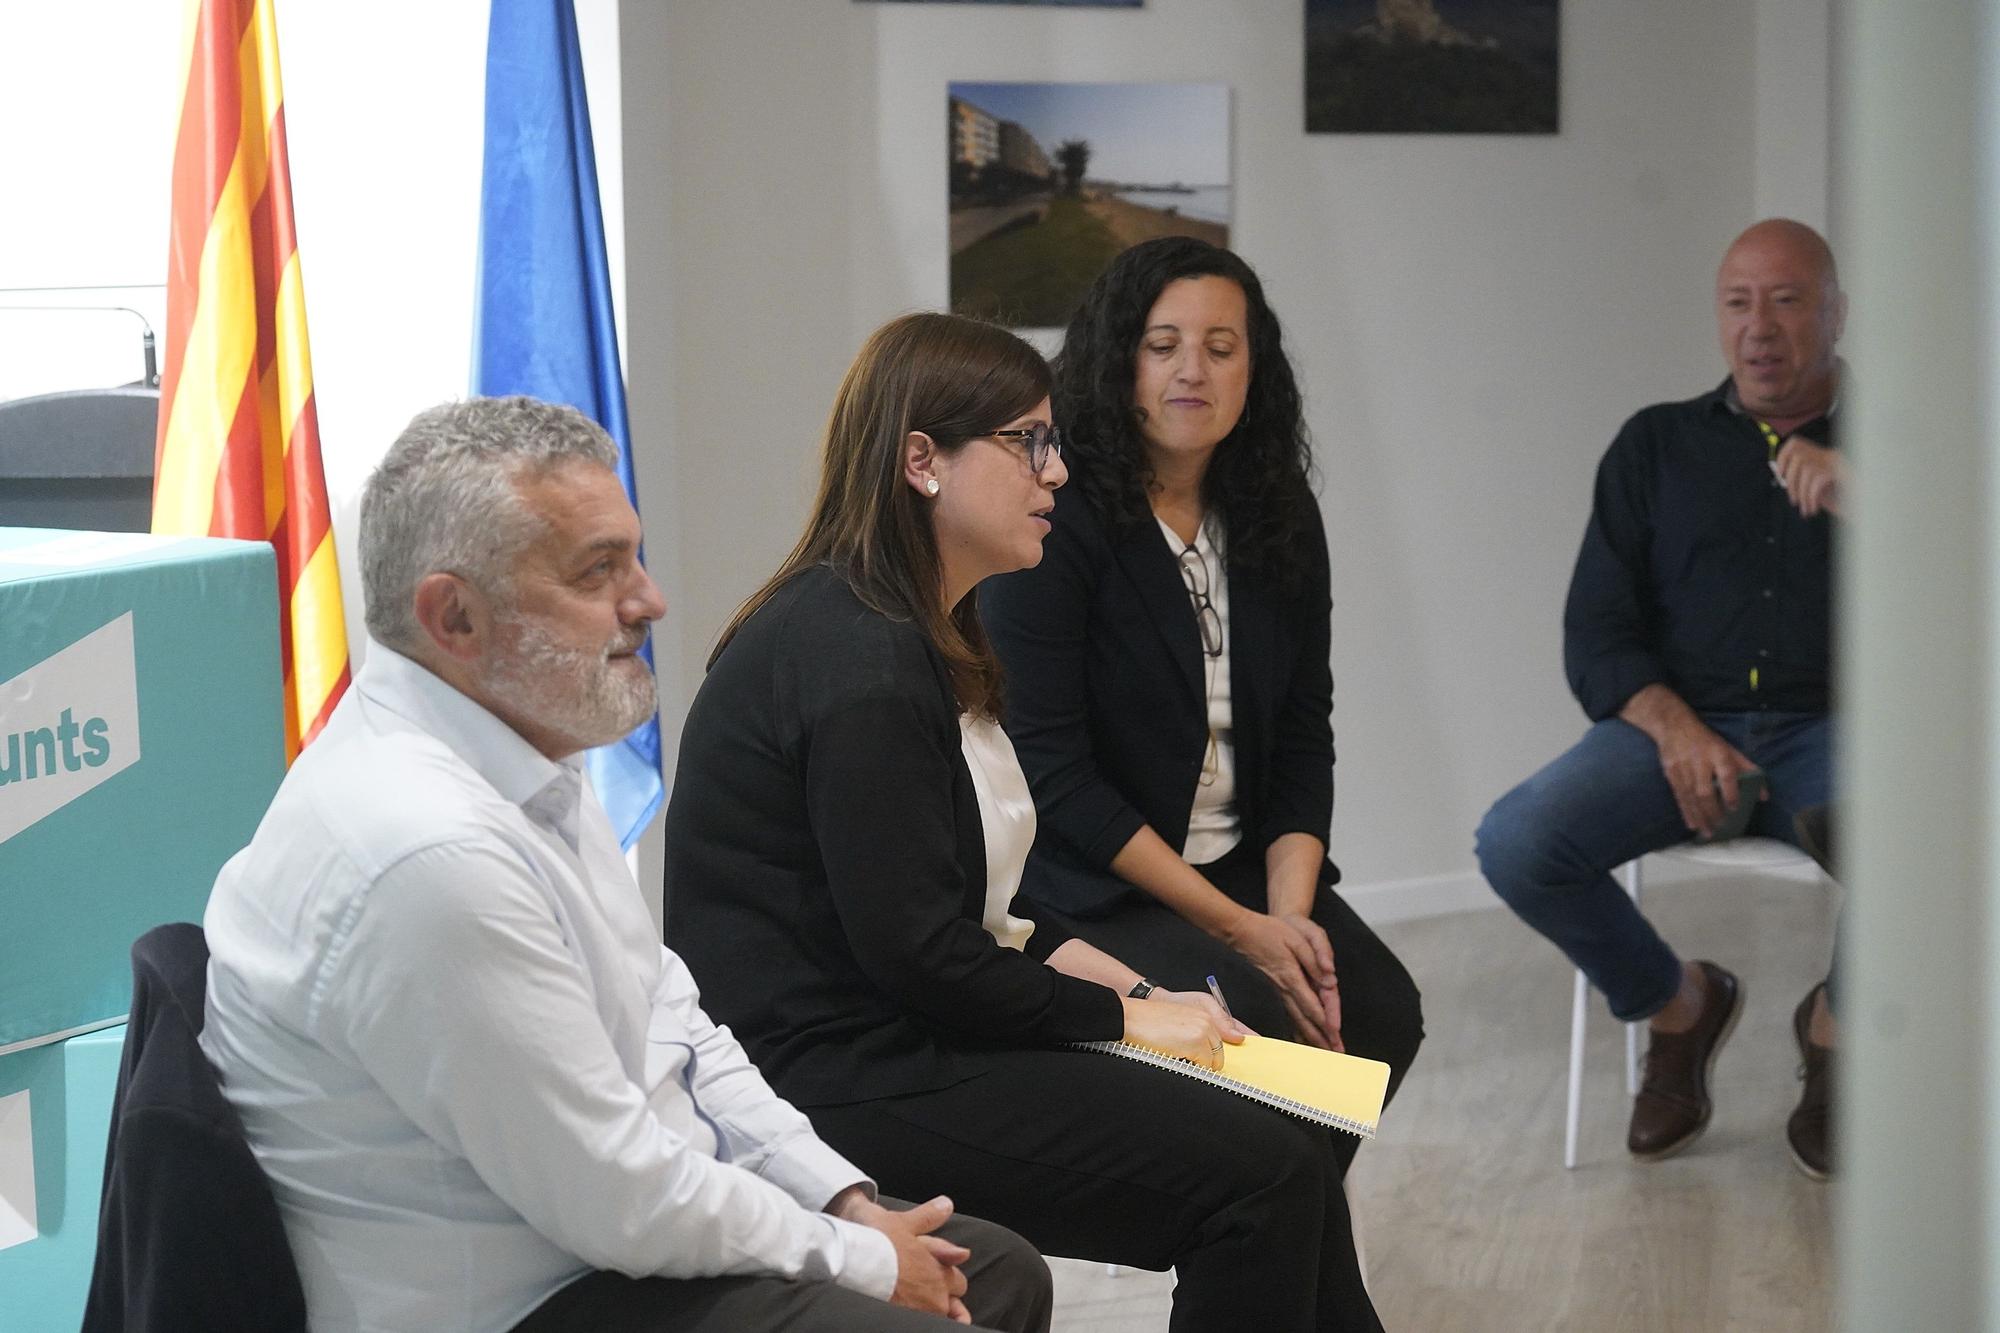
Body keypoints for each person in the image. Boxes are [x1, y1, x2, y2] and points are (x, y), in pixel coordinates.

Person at [199, 396, 1053, 1333]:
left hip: (593, 1245)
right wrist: (861, 1261)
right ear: (453, 615)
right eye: (598, 570)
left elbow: (673, 1021)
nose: (649, 599)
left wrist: (845, 1201)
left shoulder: (522, 757)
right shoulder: (426, 850)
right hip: (526, 1299)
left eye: (633, 556)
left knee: (995, 1271)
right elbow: (619, 1197)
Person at [664, 313, 1385, 1332]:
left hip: (903, 1030)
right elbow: (926, 956)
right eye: (1027, 443)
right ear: (922, 461)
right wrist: (1137, 1022)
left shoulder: (916, 625)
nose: (1055, 475)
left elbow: (992, 909)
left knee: (1288, 1124)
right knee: (1256, 1177)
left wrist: (1147, 993)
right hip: (833, 1078)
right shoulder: (858, 662)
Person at [979, 237, 1424, 1167]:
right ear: (1118, 361)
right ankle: (1266, 1237)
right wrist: (1242, 933)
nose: (1193, 369)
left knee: (1378, 1013)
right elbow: (1057, 777)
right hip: (1099, 883)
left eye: (1222, 347)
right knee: (1260, 1034)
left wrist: (1289, 921)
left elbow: (1305, 729)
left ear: (1254, 370)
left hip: (1248, 871)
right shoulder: (1058, 518)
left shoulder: (1277, 509)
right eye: (1164, 343)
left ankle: (1272, 1234)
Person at [1475, 219, 1845, 1176]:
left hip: (1839, 736)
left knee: (1935, 846)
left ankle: (1836, 1029)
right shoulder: (1656, 445)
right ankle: (1682, 1007)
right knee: (1517, 841)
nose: (1760, 326)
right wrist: (1675, 729)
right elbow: (1596, 632)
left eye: (1788, 299)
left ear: (1836, 313)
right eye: (1737, 302)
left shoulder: (1909, 450)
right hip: (1681, 728)